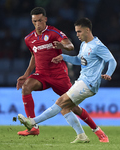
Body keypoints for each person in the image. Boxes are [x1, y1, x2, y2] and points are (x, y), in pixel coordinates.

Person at [16, 7, 109, 143]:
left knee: (71, 107)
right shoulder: (29, 39)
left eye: (40, 20)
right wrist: (26, 74)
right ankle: (33, 127)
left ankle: (97, 130)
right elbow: (34, 56)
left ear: (45, 19)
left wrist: (62, 45)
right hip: (41, 74)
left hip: (59, 76)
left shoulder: (54, 32)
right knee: (26, 87)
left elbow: (70, 45)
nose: (38, 24)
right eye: (35, 21)